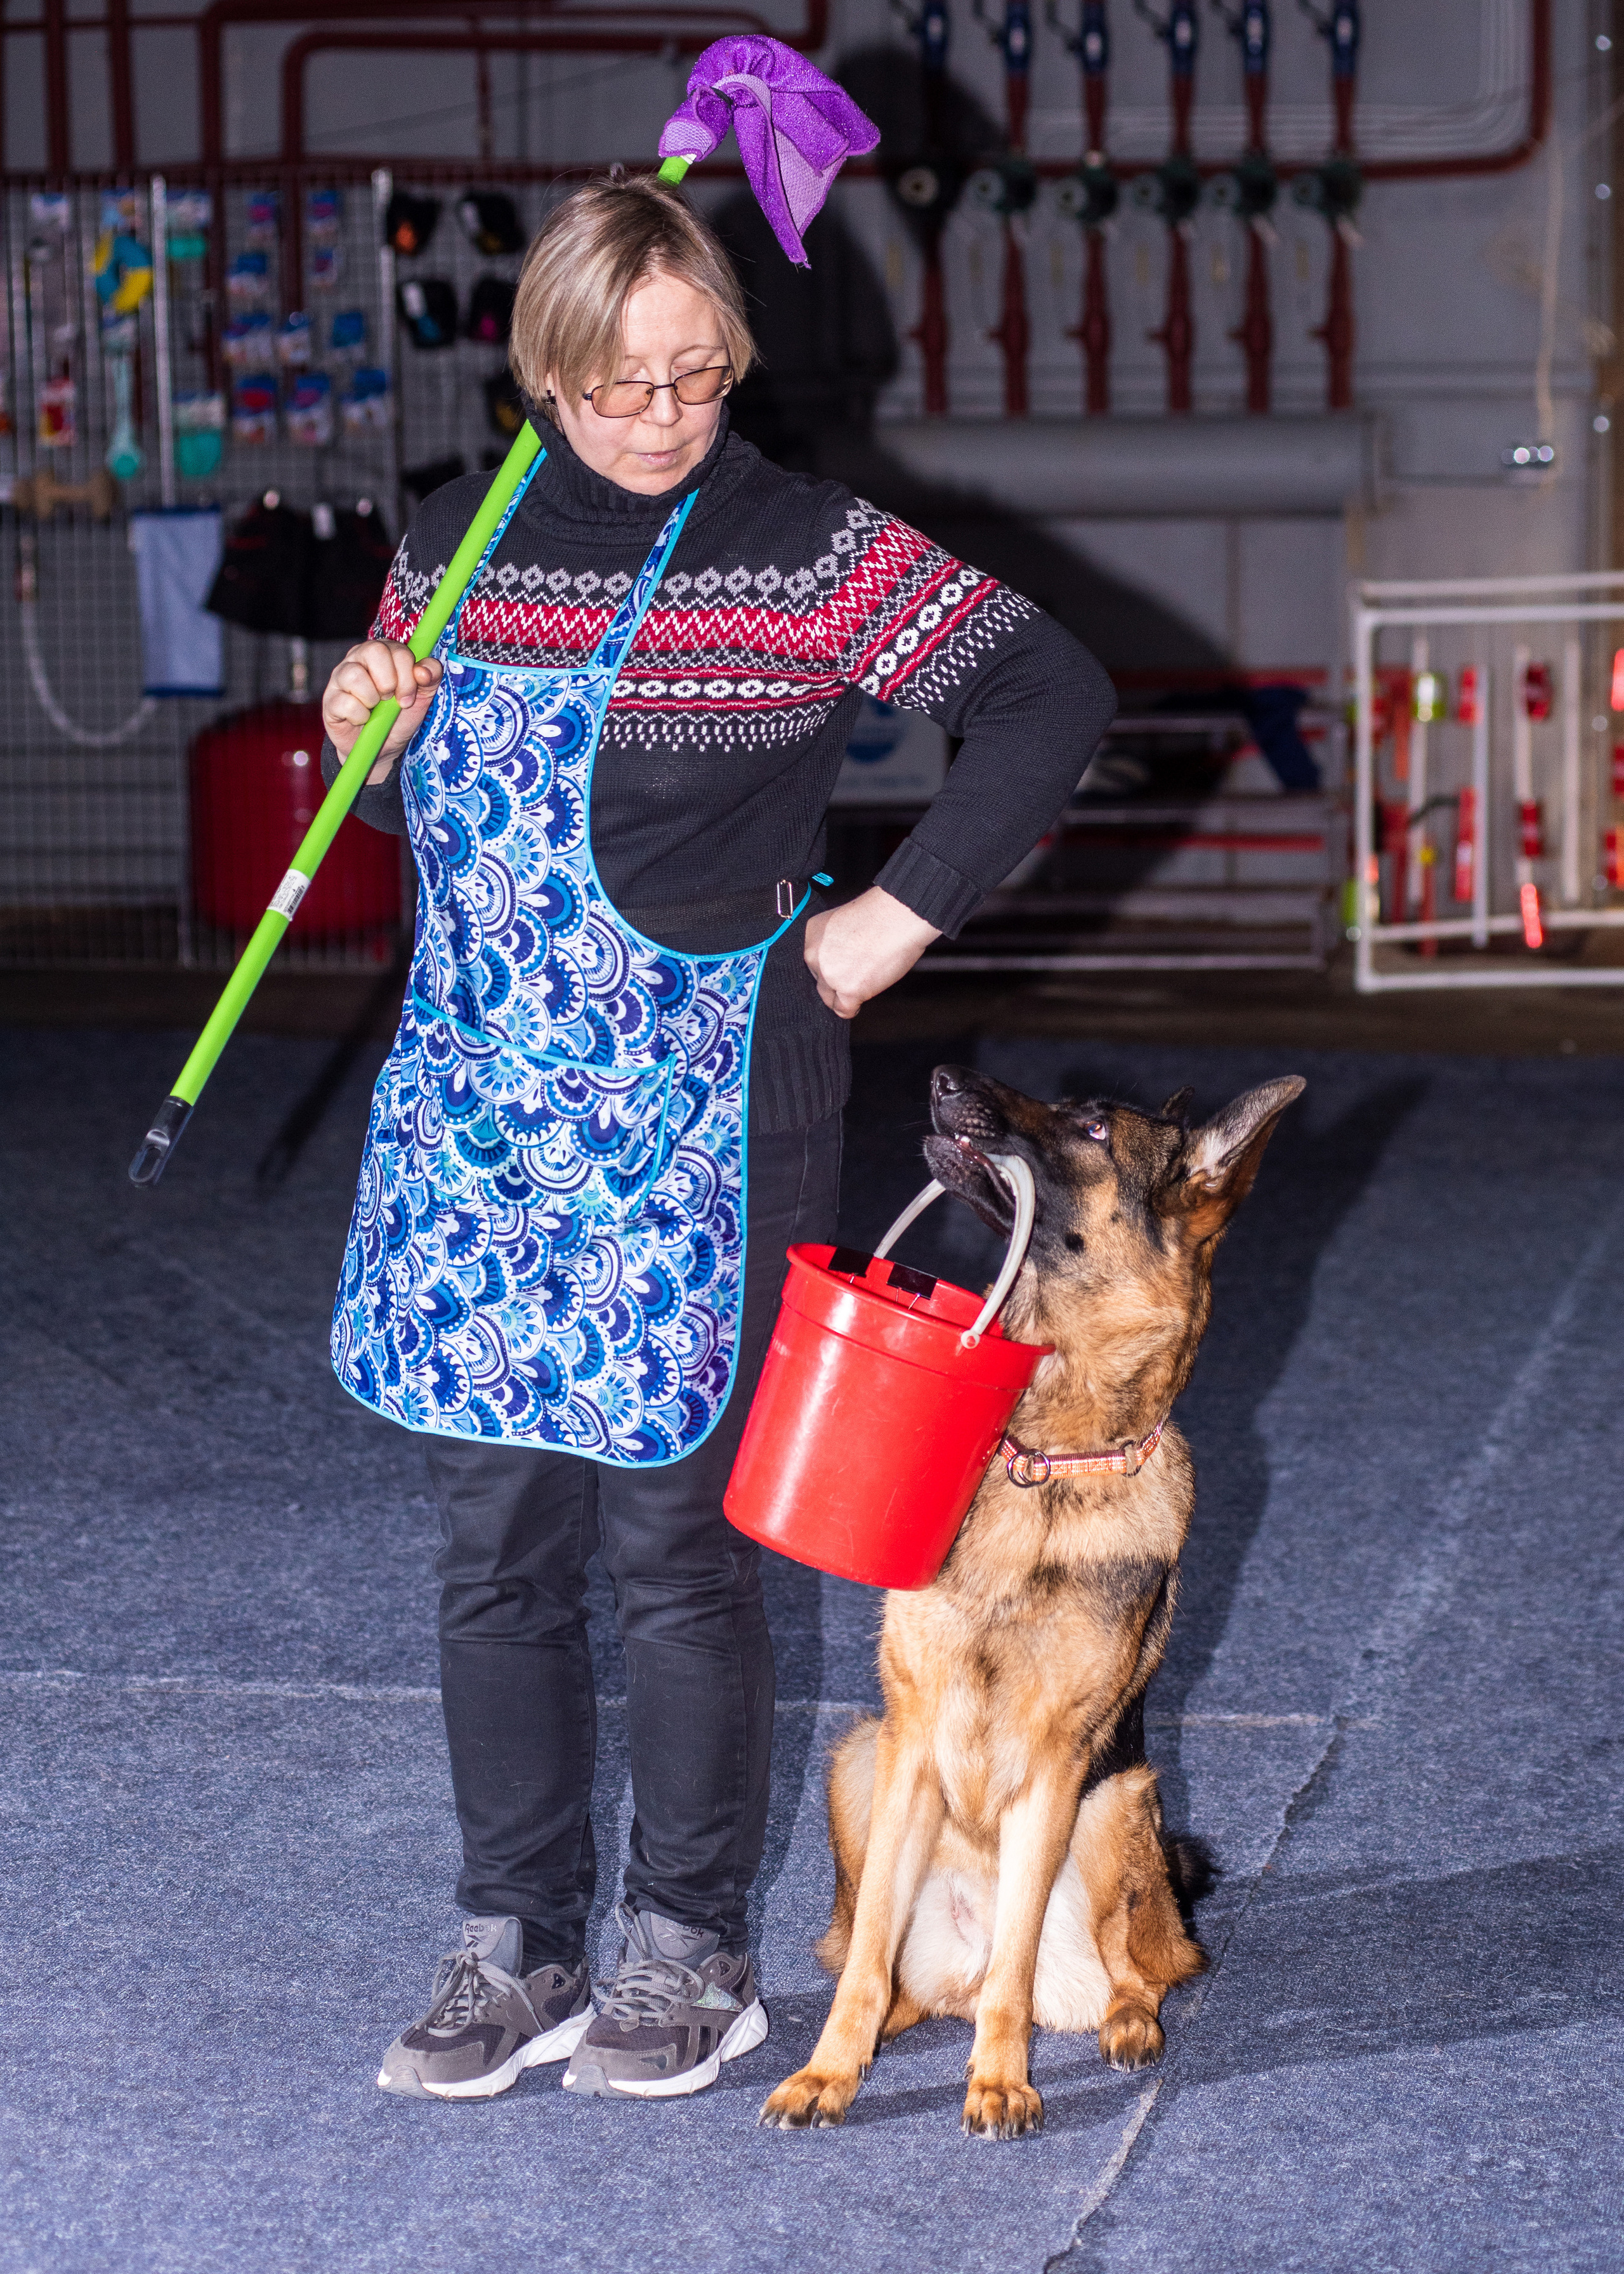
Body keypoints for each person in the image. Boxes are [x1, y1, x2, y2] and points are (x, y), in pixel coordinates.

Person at [319, 173, 1116, 2105]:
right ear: (543, 373)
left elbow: (1047, 693)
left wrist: (891, 918)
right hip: (484, 1118)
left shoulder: (804, 549)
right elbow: (416, 821)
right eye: (617, 386)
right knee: (493, 1545)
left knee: (678, 1551)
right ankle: (512, 1937)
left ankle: (692, 1947)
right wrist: (360, 716)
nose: (663, 419)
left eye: (697, 377)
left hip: (703, 1117)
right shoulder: (463, 534)